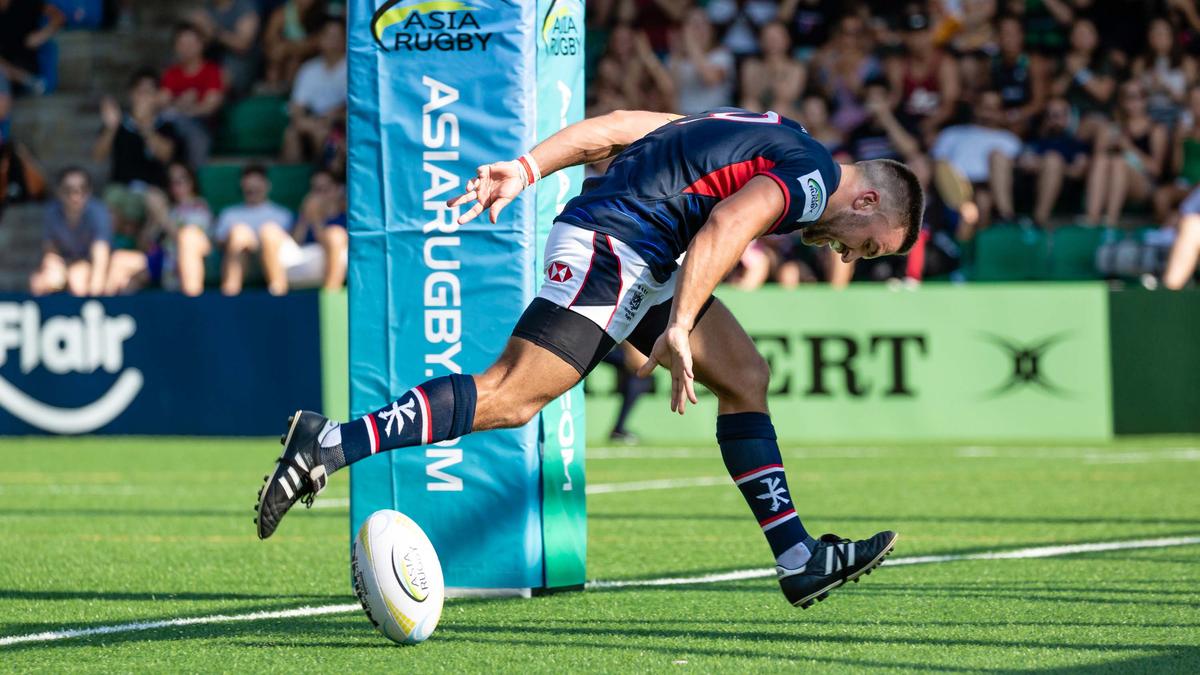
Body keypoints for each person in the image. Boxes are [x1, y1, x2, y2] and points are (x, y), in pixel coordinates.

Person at [255, 107, 923, 611]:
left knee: (746, 375)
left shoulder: (782, 131)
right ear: (865, 201)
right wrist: (682, 324)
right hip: (618, 245)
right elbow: (727, 226)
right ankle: (329, 443)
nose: (846, 256)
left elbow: (623, 126)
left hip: (644, 250)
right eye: (865, 245)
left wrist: (526, 167)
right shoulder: (812, 179)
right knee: (512, 395)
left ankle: (798, 557)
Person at [93, 69, 180, 246]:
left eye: (149, 92)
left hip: (153, 190)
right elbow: (97, 156)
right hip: (121, 190)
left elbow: (166, 155)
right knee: (106, 215)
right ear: (131, 94)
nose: (144, 98)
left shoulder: (166, 124)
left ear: (157, 96)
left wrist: (145, 127)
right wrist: (111, 128)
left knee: (155, 207)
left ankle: (154, 251)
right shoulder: (118, 123)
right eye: (139, 91)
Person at [930, 90, 1024, 232]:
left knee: (983, 201)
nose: (988, 111)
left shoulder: (1009, 140)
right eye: (984, 105)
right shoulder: (952, 133)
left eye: (993, 107)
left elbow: (1013, 172)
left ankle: (1005, 219)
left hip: (988, 188)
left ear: (1001, 111)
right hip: (952, 189)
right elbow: (937, 163)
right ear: (975, 107)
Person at [1083, 81, 1168, 228]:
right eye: (1129, 97)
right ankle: (1092, 218)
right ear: (1122, 101)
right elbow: (1097, 158)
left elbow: (1156, 170)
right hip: (1111, 178)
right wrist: (1105, 139)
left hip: (1143, 183)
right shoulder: (1114, 126)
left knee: (1119, 163)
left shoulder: (1156, 129)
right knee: (1103, 160)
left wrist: (1128, 147)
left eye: (1139, 97)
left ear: (1145, 100)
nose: (1134, 102)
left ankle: (1111, 221)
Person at [29, 168, 111, 297]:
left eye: (82, 189)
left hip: (89, 264)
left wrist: (96, 291)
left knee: (78, 279)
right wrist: (54, 268)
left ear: (89, 192)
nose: (75, 195)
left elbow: (100, 253)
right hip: (64, 262)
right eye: (68, 190)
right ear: (59, 192)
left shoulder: (98, 212)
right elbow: (50, 249)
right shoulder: (51, 212)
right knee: (40, 282)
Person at [214, 164, 294, 296]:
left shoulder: (282, 214)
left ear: (267, 185)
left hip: (274, 258)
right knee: (239, 233)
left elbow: (290, 244)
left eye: (257, 186)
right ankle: (230, 292)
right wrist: (242, 239)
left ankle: (279, 292)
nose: (253, 190)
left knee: (269, 232)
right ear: (242, 186)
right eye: (249, 188)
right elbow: (219, 242)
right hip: (241, 258)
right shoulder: (230, 214)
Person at [1016, 96, 1090, 227]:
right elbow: (1024, 164)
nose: (1054, 120)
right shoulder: (1035, 141)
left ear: (1069, 117)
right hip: (1032, 187)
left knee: (1053, 161)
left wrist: (1054, 166)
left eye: (1058, 115)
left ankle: (1039, 220)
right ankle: (1007, 217)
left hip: (1067, 192)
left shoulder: (1077, 144)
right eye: (1049, 115)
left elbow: (1079, 171)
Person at [160, 22, 227, 168]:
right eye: (181, 43)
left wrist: (184, 107)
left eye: (190, 42)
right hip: (173, 124)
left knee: (192, 132)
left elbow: (210, 106)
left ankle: (196, 178)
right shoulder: (171, 73)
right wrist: (182, 103)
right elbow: (161, 102)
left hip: (203, 126)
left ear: (201, 44)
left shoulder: (212, 71)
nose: (186, 48)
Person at [282, 18, 346, 163]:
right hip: (314, 120)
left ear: (345, 39)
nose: (332, 41)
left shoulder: (353, 68)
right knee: (291, 134)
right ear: (320, 39)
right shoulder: (309, 69)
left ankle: (325, 178)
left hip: (340, 124)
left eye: (336, 36)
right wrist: (303, 121)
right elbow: (297, 106)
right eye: (327, 36)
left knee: (324, 135)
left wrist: (333, 118)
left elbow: (353, 107)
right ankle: (293, 181)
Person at [668, 9, 735, 115]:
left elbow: (711, 78)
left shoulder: (721, 55)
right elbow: (671, 93)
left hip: (714, 118)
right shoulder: (677, 58)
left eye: (704, 24)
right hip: (684, 118)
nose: (700, 29)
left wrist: (690, 43)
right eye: (694, 25)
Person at [188, 0, 261, 97]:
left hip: (239, 61)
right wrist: (197, 29)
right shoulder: (207, 7)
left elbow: (243, 45)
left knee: (218, 79)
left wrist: (214, 31)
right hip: (211, 58)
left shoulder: (244, 6)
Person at [164, 162, 215, 297]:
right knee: (120, 262)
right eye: (173, 181)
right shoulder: (168, 209)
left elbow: (186, 238)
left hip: (190, 265)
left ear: (192, 181)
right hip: (163, 264)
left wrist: (161, 216)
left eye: (182, 179)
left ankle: (192, 303)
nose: (178, 185)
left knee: (188, 237)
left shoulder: (200, 206)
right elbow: (146, 246)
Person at [739, 21, 806, 121]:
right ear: (761, 41)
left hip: (787, 111)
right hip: (758, 106)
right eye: (768, 37)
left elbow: (788, 96)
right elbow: (750, 93)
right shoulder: (751, 65)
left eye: (776, 38)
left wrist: (776, 70)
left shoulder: (796, 67)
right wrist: (767, 69)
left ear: (787, 40)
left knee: (780, 107)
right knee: (749, 105)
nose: (772, 42)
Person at [0, 0, 64, 95]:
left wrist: (42, 35)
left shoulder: (26, 3)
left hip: (24, 63)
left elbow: (59, 17)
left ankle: (28, 81)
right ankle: (28, 81)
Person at [262, 0, 324, 87]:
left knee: (294, 61)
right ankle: (274, 91)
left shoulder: (323, 12)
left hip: (314, 61)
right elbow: (269, 43)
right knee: (275, 61)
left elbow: (319, 42)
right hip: (284, 60)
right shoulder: (281, 14)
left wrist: (287, 48)